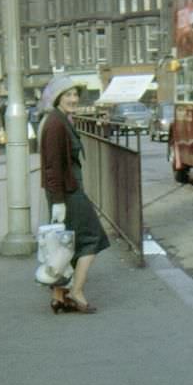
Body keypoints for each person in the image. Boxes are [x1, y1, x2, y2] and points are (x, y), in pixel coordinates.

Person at [39, 75, 109, 314]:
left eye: (75, 94)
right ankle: (76, 291)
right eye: (67, 95)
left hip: (65, 192)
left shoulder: (59, 120)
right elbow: (52, 166)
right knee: (93, 238)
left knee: (63, 243)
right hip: (68, 194)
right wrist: (59, 202)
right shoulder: (56, 124)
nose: (73, 99)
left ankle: (59, 297)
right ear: (58, 97)